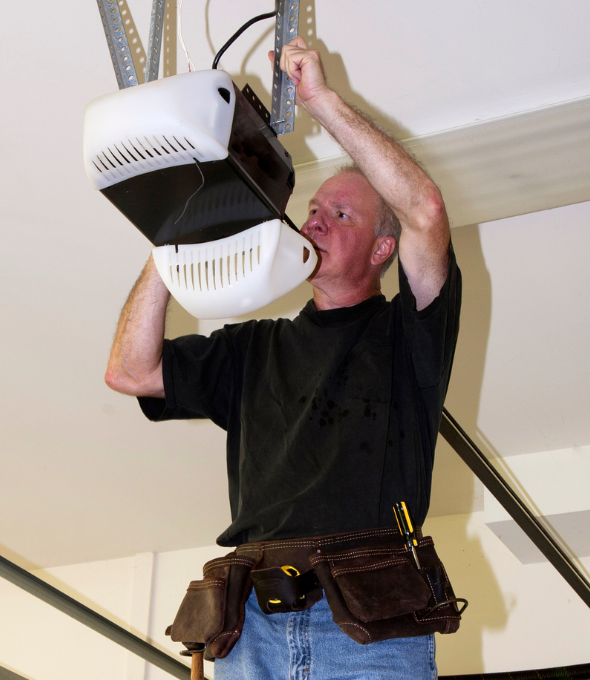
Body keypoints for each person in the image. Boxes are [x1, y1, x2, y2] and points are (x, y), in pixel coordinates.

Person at [105, 37, 461, 680]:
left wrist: (321, 102)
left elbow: (426, 210)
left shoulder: (409, 337)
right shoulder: (252, 350)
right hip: (251, 625)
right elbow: (131, 371)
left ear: (383, 250)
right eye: (314, 209)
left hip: (367, 622)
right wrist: (172, 233)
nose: (314, 222)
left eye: (342, 215)